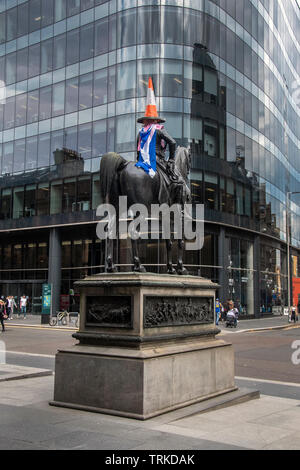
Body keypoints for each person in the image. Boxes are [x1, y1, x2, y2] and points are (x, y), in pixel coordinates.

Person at [136, 77, 184, 197]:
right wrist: (172, 160)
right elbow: (172, 143)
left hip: (142, 162)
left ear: (145, 121)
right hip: (157, 161)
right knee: (176, 181)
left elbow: (137, 151)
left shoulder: (140, 132)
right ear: (156, 120)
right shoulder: (159, 129)